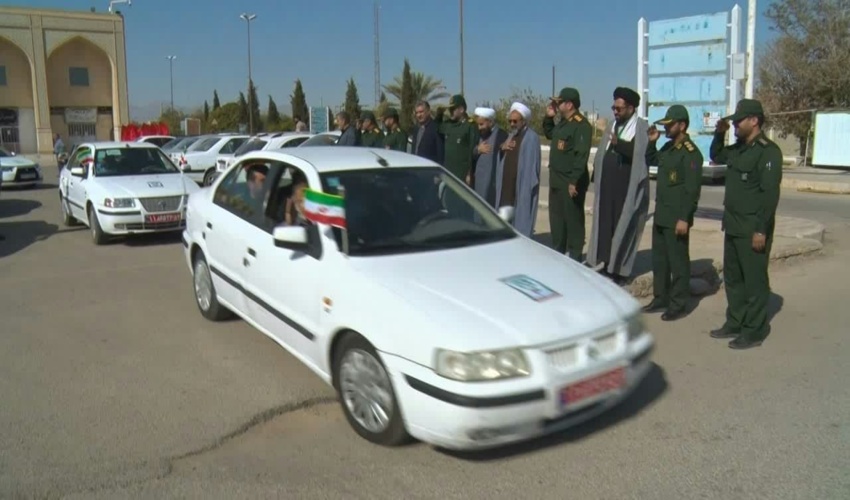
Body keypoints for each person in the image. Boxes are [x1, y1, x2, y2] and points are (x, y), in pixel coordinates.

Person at [708, 99, 783, 350]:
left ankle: (754, 330)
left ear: (754, 120)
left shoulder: (768, 151)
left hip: (753, 229)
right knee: (733, 278)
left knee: (754, 281)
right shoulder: (738, 149)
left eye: (739, 120)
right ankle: (736, 321)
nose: (735, 124)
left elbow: (769, 194)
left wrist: (761, 229)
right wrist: (719, 134)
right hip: (733, 225)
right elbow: (716, 155)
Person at [643, 105, 703, 321]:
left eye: (670, 125)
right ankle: (661, 297)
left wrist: (684, 218)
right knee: (660, 261)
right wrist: (652, 142)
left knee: (678, 262)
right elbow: (651, 160)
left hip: (677, 218)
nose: (666, 128)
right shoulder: (668, 148)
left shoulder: (691, 153)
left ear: (682, 125)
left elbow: (692, 190)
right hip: (661, 215)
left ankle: (678, 303)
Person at [587, 87, 651, 285]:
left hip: (626, 189)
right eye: (614, 107)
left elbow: (642, 155)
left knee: (623, 227)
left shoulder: (641, 128)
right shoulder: (613, 125)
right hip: (608, 188)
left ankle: (619, 270)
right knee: (605, 226)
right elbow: (602, 153)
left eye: (619, 109)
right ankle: (604, 263)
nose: (615, 111)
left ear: (631, 108)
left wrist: (619, 145)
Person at [543, 87, 592, 261]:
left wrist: (574, 181)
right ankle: (558, 256)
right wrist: (549, 117)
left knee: (573, 223)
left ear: (569, 104)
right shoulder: (563, 123)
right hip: (556, 180)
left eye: (559, 102)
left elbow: (581, 156)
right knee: (557, 222)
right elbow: (550, 133)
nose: (555, 104)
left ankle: (575, 257)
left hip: (570, 183)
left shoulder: (581, 125)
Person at [495, 102, 542, 237]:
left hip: (522, 188)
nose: (512, 124)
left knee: (521, 222)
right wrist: (502, 148)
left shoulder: (531, 138)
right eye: (510, 121)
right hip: (507, 189)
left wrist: (527, 186)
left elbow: (532, 168)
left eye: (515, 121)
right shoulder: (511, 136)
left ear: (524, 120)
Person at [435, 95, 479, 185]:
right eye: (450, 109)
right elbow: (436, 128)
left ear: (461, 109)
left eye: (453, 109)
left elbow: (472, 150)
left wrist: (469, 173)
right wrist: (439, 115)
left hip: (462, 175)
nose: (450, 112)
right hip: (448, 173)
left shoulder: (470, 125)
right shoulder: (448, 125)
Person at [471, 107, 507, 207]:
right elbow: (468, 153)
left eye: (482, 124)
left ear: (490, 122)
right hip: (478, 183)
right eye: (478, 124)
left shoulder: (502, 135)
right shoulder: (477, 134)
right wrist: (477, 150)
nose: (479, 127)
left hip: (493, 183)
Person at [411, 100, 443, 164]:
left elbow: (440, 154)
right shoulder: (416, 129)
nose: (419, 115)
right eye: (417, 113)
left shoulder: (436, 128)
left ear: (428, 112)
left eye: (421, 112)